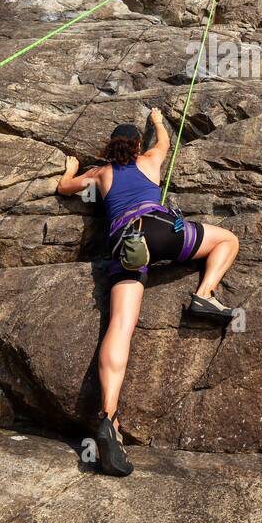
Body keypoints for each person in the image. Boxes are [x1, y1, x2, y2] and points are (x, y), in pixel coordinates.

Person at [56, 108, 240, 475]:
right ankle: (205, 293)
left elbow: (64, 188)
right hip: (159, 230)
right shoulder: (150, 159)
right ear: (137, 145)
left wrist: (71, 167)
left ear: (110, 148)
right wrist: (157, 120)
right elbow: (166, 143)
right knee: (227, 240)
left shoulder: (101, 173)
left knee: (120, 327)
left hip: (126, 246)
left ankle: (109, 417)